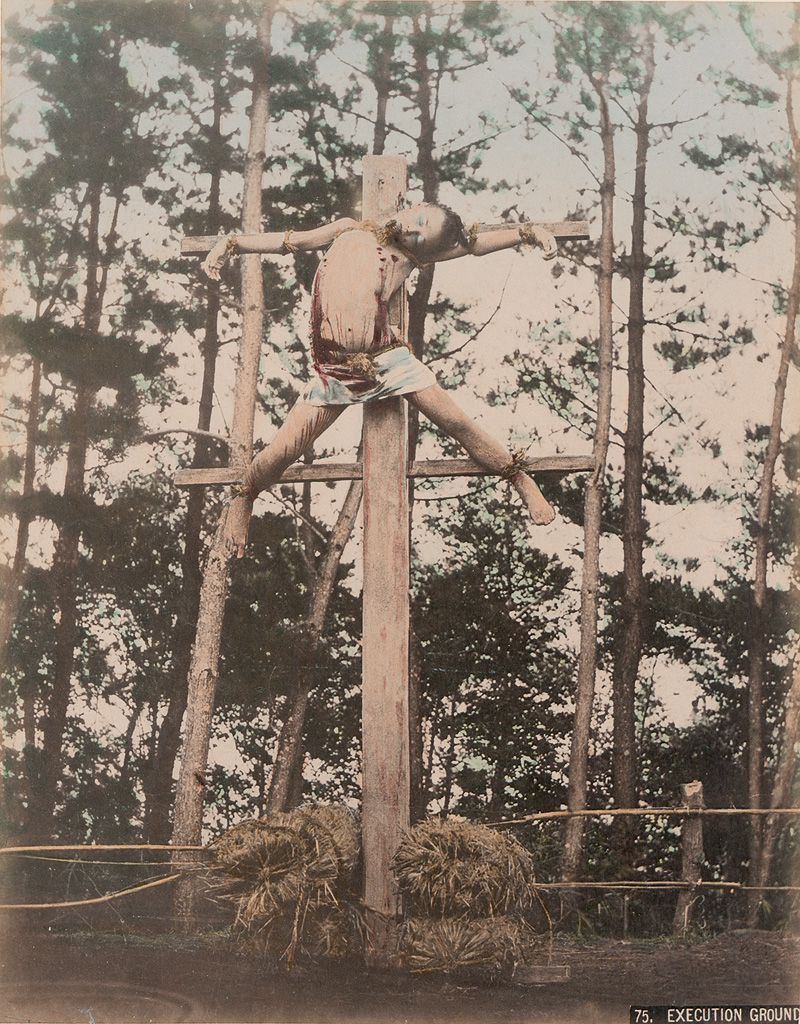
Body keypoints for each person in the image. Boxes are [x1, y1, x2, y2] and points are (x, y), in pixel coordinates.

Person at [202, 202, 558, 558]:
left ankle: (518, 477)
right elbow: (289, 241)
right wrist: (230, 244)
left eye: (421, 237)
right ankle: (245, 497)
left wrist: (528, 234)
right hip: (337, 371)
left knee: (456, 421)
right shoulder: (346, 228)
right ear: (412, 206)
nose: (411, 231)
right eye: (417, 220)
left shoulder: (406, 256)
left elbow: (473, 244)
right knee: (283, 450)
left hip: (387, 362)